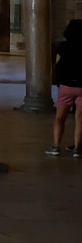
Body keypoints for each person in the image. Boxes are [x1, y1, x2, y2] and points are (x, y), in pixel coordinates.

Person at [47, 19, 82, 157]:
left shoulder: (63, 47)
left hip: (66, 86)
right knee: (80, 119)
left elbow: (54, 53)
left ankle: (55, 146)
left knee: (60, 118)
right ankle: (77, 148)